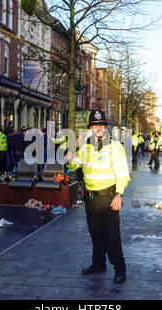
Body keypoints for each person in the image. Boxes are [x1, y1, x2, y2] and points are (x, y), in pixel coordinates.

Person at [65, 110, 130, 284]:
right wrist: (72, 152)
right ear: (91, 128)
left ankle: (119, 268)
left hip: (108, 197)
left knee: (111, 235)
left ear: (105, 127)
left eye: (102, 125)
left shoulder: (115, 146)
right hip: (90, 198)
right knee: (96, 234)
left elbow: (123, 173)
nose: (99, 128)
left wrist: (119, 195)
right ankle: (99, 264)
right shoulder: (86, 146)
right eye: (95, 125)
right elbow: (73, 163)